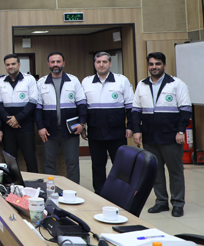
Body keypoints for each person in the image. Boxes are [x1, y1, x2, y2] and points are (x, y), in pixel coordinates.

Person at [132, 52, 192, 217]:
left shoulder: (176, 84)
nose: (154, 67)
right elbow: (135, 111)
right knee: (155, 171)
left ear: (164, 66)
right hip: (150, 136)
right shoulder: (142, 85)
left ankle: (178, 203)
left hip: (171, 136)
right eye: (151, 64)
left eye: (157, 64)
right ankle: (161, 202)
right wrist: (137, 130)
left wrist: (181, 131)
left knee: (175, 171)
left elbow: (185, 109)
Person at [81, 52, 134, 195]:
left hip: (117, 132)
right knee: (97, 165)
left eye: (104, 62)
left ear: (110, 63)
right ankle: (100, 193)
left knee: (120, 165)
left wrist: (130, 126)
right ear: (94, 64)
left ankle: (120, 193)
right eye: (98, 62)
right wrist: (83, 126)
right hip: (95, 132)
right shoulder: (86, 82)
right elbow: (82, 108)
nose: (101, 65)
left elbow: (130, 106)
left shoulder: (121, 80)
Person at [35, 52, 86, 184]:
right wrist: (40, 127)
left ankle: (74, 191)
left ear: (63, 63)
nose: (55, 64)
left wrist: (82, 123)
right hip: (48, 131)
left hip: (70, 130)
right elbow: (37, 108)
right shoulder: (41, 82)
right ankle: (51, 191)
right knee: (49, 163)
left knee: (72, 163)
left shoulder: (73, 81)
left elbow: (82, 104)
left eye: (58, 61)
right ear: (48, 64)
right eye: (53, 62)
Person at [0, 54, 39, 172]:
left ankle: (34, 182)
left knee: (30, 158)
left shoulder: (29, 79)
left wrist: (17, 118)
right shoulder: (1, 81)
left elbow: (33, 102)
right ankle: (12, 182)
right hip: (8, 127)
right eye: (8, 64)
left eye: (13, 64)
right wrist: (9, 121)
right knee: (10, 160)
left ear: (19, 65)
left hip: (25, 125)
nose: (10, 66)